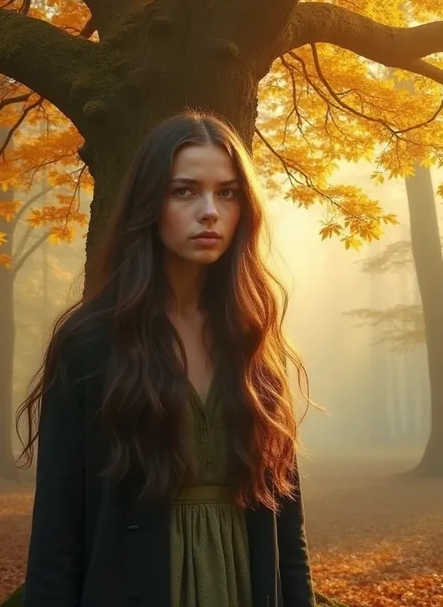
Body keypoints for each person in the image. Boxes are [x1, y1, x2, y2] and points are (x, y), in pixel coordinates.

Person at [16, 108, 317, 607]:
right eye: (185, 191)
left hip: (245, 585)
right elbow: (57, 532)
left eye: (227, 192)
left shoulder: (253, 338)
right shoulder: (90, 342)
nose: (210, 211)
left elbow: (288, 524)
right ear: (149, 203)